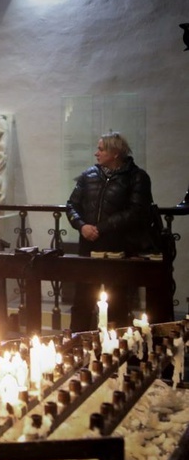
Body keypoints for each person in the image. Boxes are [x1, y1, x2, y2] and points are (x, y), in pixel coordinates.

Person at [66, 131, 154, 331]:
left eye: (101, 149)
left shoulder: (137, 177)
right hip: (89, 248)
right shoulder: (89, 175)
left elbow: (137, 211)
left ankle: (115, 352)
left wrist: (100, 228)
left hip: (119, 248)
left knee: (117, 304)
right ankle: (77, 348)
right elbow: (71, 205)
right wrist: (82, 226)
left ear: (115, 153)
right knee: (82, 302)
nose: (96, 153)